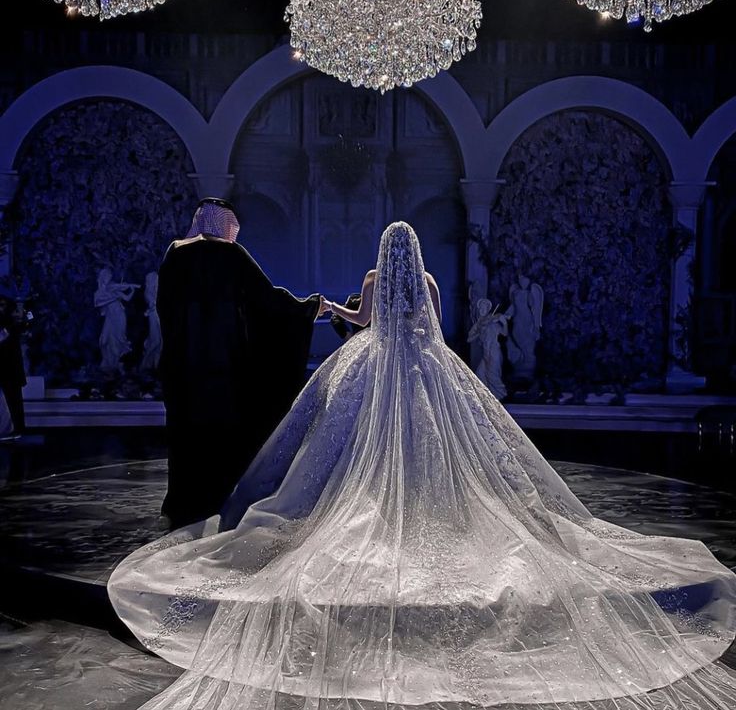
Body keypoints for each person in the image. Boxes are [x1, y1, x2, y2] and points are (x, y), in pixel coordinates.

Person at [109, 222, 736, 710]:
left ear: (386, 250)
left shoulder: (375, 278)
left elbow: (365, 322)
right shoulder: (430, 283)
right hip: (425, 374)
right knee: (442, 457)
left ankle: (367, 509)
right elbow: (432, 331)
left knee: (342, 456)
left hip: (375, 369)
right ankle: (433, 511)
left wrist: (335, 313)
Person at [156, 197, 323, 528]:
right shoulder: (230, 254)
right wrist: (309, 308)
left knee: (184, 432)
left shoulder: (175, 252)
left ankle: (182, 502)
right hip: (222, 364)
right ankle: (216, 498)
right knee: (222, 431)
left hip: (181, 365)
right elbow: (266, 298)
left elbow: (164, 307)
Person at [93, 269, 138, 373]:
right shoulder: (98, 292)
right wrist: (114, 298)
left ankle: (115, 362)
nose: (110, 278)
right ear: (103, 277)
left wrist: (132, 290)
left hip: (120, 316)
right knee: (104, 340)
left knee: (117, 340)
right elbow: (97, 303)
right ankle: (106, 361)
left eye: (110, 276)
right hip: (110, 317)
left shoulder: (114, 290)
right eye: (108, 276)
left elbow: (127, 298)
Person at [0, 294, 27, 436]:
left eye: (3, 305)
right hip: (3, 366)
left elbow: (29, 320)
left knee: (15, 400)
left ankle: (18, 428)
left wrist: (25, 309)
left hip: (11, 367)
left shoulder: (13, 322)